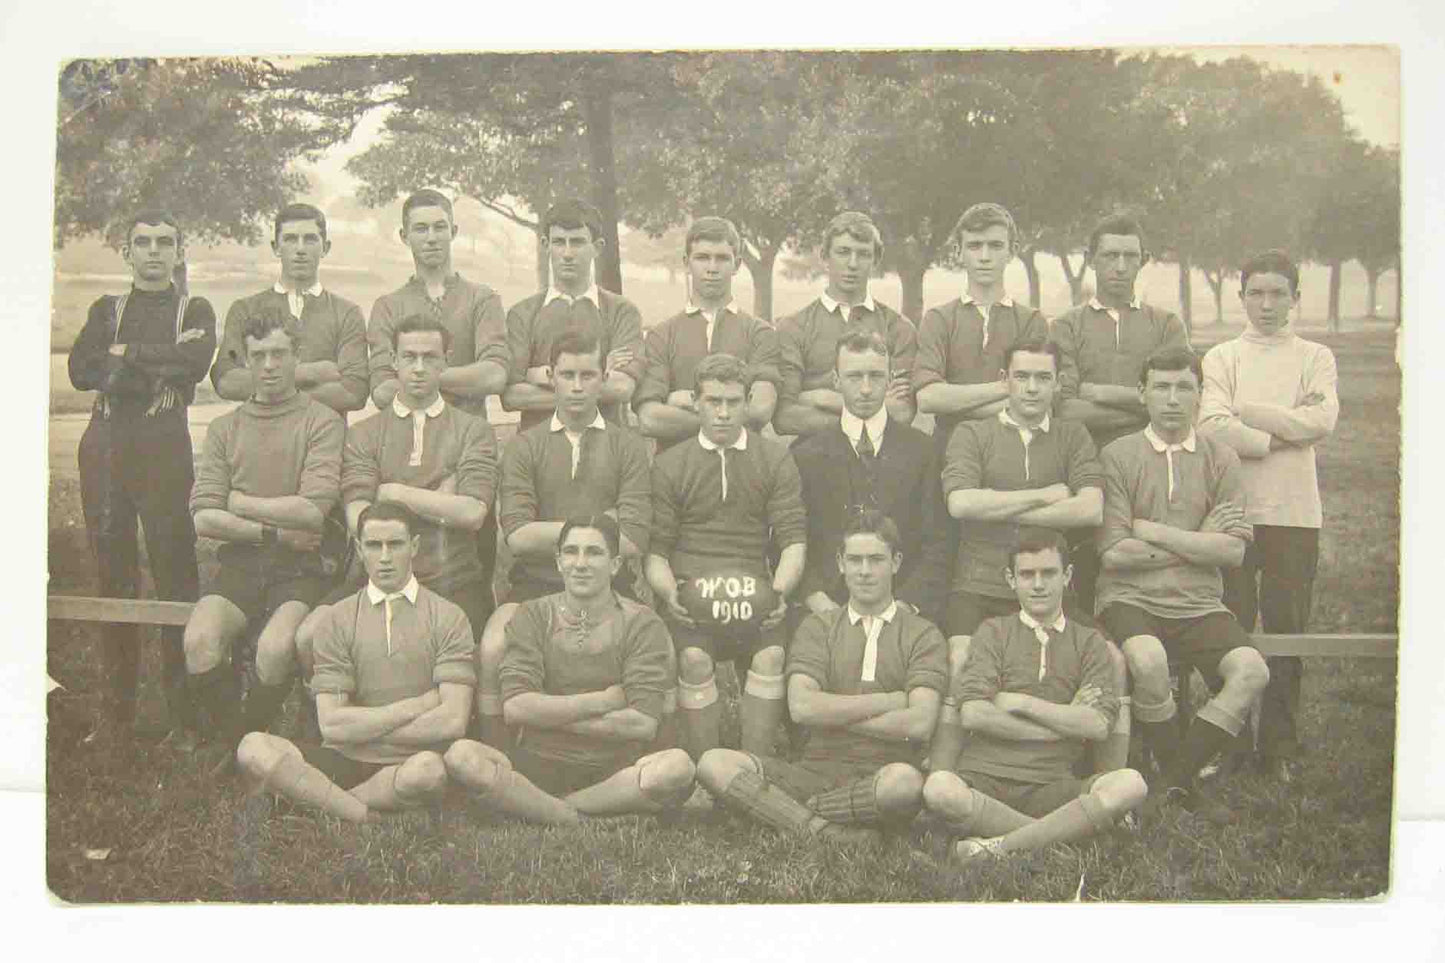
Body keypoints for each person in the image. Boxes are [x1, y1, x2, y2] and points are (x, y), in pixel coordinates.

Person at [291, 314, 498, 716]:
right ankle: (320, 722)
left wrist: (393, 491)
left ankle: (457, 732)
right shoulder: (365, 433)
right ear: (393, 361)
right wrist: (437, 501)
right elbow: (358, 516)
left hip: (451, 577)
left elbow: (472, 512)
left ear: (445, 361)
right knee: (308, 636)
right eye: (409, 357)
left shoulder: (473, 430)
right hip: (373, 578)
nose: (419, 368)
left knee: (458, 655)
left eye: (429, 357)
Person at [695, 510, 944, 845]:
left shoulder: (922, 633)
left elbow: (919, 723)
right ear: (840, 564)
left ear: (896, 563)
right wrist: (890, 701)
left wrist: (834, 714)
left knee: (906, 785)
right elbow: (801, 707)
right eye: (855, 560)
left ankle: (796, 816)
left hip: (883, 772)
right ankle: (825, 832)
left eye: (876, 560)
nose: (865, 571)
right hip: (813, 770)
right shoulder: (819, 626)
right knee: (714, 763)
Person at [1096, 347, 1271, 822]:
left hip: (1199, 601)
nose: (1173, 399)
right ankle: (1186, 787)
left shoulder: (1221, 457)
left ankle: (1174, 782)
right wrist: (1199, 540)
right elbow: (1114, 553)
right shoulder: (1117, 455)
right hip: (1129, 597)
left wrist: (1151, 531)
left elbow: (1232, 552)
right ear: (1142, 394)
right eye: (1161, 387)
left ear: (1199, 394)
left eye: (1184, 388)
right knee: (1147, 659)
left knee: (1252, 670)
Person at [67, 210, 217, 745]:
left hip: (164, 450)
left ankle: (184, 716)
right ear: (127, 252)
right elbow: (81, 370)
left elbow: (194, 363)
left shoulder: (193, 308)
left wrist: (124, 358)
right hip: (105, 448)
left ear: (179, 251)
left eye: (165, 243)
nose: (154, 252)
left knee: (176, 573)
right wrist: (155, 368)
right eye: (143, 243)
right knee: (113, 575)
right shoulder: (106, 309)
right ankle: (116, 716)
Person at [443, 516, 695, 823]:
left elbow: (642, 723)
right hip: (538, 764)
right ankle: (582, 817)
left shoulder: (641, 622)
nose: (581, 563)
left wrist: (547, 714)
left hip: (615, 768)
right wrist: (602, 701)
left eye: (594, 552)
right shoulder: (532, 614)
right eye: (571, 552)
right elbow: (516, 708)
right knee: (462, 757)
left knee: (678, 767)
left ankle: (552, 808)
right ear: (559, 562)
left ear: (615, 565)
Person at [235, 502, 475, 823]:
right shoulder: (337, 618)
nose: (386, 557)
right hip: (345, 758)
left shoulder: (448, 616)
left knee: (428, 772)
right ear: (360, 551)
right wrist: (417, 706)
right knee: (252, 748)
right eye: (375, 546)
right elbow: (331, 724)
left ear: (414, 547)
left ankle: (324, 802)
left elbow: (451, 722)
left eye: (396, 544)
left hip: (410, 762)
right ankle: (363, 814)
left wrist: (361, 728)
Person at [939, 339, 1115, 766]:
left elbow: (1090, 509)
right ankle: (946, 768)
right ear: (1005, 381)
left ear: (1057, 384)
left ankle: (1102, 772)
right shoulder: (972, 433)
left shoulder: (1073, 435)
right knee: (960, 659)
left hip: (1046, 583)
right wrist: (1046, 496)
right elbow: (962, 504)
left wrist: (999, 504)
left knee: (1112, 658)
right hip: (979, 579)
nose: (1032, 388)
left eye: (1043, 378)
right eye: (1022, 377)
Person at [922, 529, 1147, 861]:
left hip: (1053, 785)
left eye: (1049, 573)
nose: (1038, 584)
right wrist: (1062, 721)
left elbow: (1098, 724)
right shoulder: (992, 633)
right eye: (1027, 574)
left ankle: (1000, 846)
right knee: (940, 788)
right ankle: (1058, 841)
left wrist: (1021, 703)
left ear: (1067, 577)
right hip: (986, 779)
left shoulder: (1088, 642)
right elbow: (974, 713)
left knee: (1131, 783)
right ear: (1011, 580)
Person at [1200, 250, 1338, 780]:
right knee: (1228, 629)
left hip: (1295, 513)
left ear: (1296, 298)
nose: (1267, 304)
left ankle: (1279, 747)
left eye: (1278, 292)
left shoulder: (1316, 356)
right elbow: (1212, 424)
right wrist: (1283, 432)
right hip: (1233, 511)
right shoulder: (1221, 358)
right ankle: (1229, 743)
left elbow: (1321, 419)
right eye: (1256, 292)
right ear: (1241, 298)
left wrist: (1248, 414)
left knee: (1287, 630)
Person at [476, 329, 652, 747]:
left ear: (604, 377)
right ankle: (497, 757)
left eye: (588, 375)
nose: (577, 387)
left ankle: (643, 753)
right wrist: (599, 524)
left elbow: (632, 540)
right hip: (537, 582)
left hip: (610, 585)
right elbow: (517, 537)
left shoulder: (627, 446)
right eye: (567, 375)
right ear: (550, 376)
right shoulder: (523, 447)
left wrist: (554, 530)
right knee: (493, 647)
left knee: (649, 645)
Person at [184, 313, 344, 760]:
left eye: (279, 353)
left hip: (301, 568)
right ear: (245, 362)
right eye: (259, 355)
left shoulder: (323, 422)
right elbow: (203, 519)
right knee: (199, 639)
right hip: (243, 562)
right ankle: (236, 743)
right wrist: (272, 531)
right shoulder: (224, 428)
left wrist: (238, 502)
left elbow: (312, 512)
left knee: (275, 648)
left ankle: (244, 741)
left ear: (298, 356)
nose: (270, 365)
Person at [647, 353, 805, 760]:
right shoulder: (669, 464)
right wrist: (670, 594)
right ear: (695, 402)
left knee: (771, 656)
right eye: (713, 401)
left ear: (748, 401)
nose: (722, 413)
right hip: (691, 592)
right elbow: (656, 551)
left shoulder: (773, 457)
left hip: (753, 588)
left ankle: (752, 767)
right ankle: (707, 768)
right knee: (696, 659)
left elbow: (793, 540)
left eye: (733, 402)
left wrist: (781, 591)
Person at [1052, 214, 1189, 613]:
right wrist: (1144, 405)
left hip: (1149, 470)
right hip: (1082, 469)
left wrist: (1102, 391)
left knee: (1143, 586)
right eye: (1110, 255)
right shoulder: (1067, 326)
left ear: (1143, 260)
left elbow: (1178, 405)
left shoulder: (1166, 325)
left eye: (1130, 256)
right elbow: (1066, 410)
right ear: (1091, 259)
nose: (1120, 266)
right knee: (1080, 583)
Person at [791, 329, 950, 629]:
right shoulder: (805, 454)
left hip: (905, 612)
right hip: (825, 611)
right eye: (854, 377)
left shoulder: (923, 451)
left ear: (890, 379)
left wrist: (905, 605)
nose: (865, 389)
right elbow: (794, 539)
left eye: (876, 376)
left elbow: (939, 541)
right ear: (836, 380)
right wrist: (819, 602)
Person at [634, 216, 780, 452]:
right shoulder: (661, 335)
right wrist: (729, 415)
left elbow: (761, 410)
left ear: (737, 264)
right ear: (686, 262)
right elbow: (650, 418)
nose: (712, 268)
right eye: (702, 258)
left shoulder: (760, 333)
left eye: (722, 258)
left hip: (742, 471)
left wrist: (678, 401)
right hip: (677, 473)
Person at [914, 203, 1048, 460]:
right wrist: (1007, 387)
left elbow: (1037, 402)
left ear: (1012, 252)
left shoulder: (1031, 321)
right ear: (959, 252)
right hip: (949, 453)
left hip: (1015, 453)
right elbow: (929, 399)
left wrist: (955, 404)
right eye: (975, 246)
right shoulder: (939, 319)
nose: (985, 256)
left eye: (996, 246)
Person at [501, 198, 644, 433]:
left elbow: (622, 388)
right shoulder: (522, 314)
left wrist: (535, 374)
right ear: (546, 244)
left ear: (597, 247)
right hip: (538, 450)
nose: (567, 253)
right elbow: (512, 397)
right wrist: (598, 373)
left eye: (577, 242)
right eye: (559, 242)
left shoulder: (621, 312)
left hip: (604, 447)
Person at [211, 203, 368, 415]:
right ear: (276, 247)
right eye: (291, 239)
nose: (300, 249)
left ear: (326, 248)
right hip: (260, 439)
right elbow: (227, 382)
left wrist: (265, 385)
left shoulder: (346, 313)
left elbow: (354, 392)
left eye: (310, 239)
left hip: (325, 441)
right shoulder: (245, 309)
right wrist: (312, 372)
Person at [367, 188, 510, 418]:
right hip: (408, 442)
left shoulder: (482, 299)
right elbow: (382, 391)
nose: (431, 238)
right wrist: (464, 383)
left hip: (469, 442)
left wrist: (417, 378)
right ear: (405, 236)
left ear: (453, 231)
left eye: (439, 227)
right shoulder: (387, 307)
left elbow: (494, 375)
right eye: (421, 229)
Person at [773, 211, 916, 438]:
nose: (852, 264)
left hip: (881, 461)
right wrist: (872, 411)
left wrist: (821, 398)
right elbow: (785, 417)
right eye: (843, 252)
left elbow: (902, 412)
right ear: (824, 256)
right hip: (816, 460)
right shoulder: (793, 328)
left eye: (863, 254)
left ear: (875, 260)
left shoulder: (899, 328)